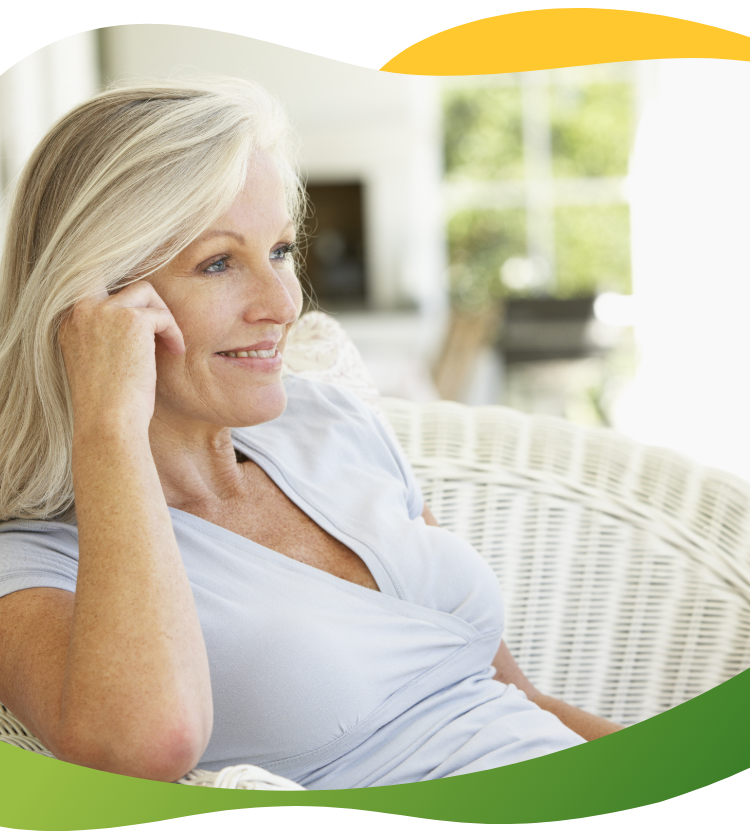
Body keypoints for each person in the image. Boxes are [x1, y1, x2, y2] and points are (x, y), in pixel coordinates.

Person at [0, 78, 623, 789]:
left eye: (280, 252)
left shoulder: (330, 421)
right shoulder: (32, 564)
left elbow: (518, 698)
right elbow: (147, 747)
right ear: (97, 304)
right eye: (217, 263)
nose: (280, 304)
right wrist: (109, 427)